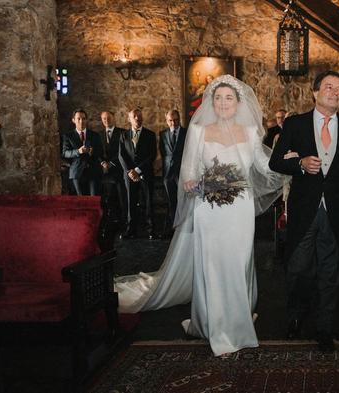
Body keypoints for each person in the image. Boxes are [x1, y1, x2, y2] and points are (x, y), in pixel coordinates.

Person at [115, 75, 283, 357]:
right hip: (209, 207)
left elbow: (265, 165)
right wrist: (191, 182)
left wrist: (289, 161)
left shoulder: (251, 131)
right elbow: (189, 169)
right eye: (218, 98)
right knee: (214, 265)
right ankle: (212, 324)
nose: (223, 102)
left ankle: (239, 315)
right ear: (211, 102)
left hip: (240, 208)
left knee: (239, 262)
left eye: (229, 98)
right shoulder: (199, 130)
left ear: (238, 102)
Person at [269, 70, 339, 352]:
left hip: (336, 212)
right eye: (329, 87)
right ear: (315, 92)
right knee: (298, 268)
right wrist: (299, 163)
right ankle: (295, 315)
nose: (335, 92)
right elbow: (275, 161)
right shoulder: (295, 124)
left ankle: (324, 328)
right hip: (303, 209)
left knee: (330, 271)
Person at [118, 108, 157, 239]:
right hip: (129, 175)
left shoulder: (150, 135)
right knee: (130, 202)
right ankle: (131, 230)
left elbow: (152, 155)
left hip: (145, 173)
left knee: (148, 202)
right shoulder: (124, 135)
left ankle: (151, 229)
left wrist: (138, 170)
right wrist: (130, 171)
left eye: (139, 116)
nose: (137, 118)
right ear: (129, 119)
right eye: (134, 116)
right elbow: (121, 155)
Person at [61, 109, 103, 195]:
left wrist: (92, 152)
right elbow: (65, 153)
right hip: (77, 172)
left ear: (86, 120)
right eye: (78, 118)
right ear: (73, 120)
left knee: (94, 199)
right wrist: (78, 151)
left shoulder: (95, 135)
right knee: (82, 201)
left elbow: (101, 152)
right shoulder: (68, 136)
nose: (81, 121)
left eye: (84, 118)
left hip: (93, 172)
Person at [159, 109, 186, 237]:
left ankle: (183, 227)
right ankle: (172, 228)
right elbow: (164, 153)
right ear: (166, 121)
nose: (173, 123)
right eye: (170, 120)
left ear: (179, 119)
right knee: (170, 201)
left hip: (183, 173)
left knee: (183, 201)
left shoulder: (187, 133)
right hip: (168, 174)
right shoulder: (163, 134)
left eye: (175, 120)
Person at [99, 111, 126, 223]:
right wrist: (103, 163)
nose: (106, 120)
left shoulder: (122, 133)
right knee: (108, 198)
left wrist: (112, 163)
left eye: (109, 118)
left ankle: (123, 221)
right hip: (105, 172)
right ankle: (111, 221)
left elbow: (123, 151)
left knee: (121, 197)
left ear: (113, 118)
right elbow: (98, 151)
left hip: (119, 170)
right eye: (104, 118)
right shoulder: (99, 135)